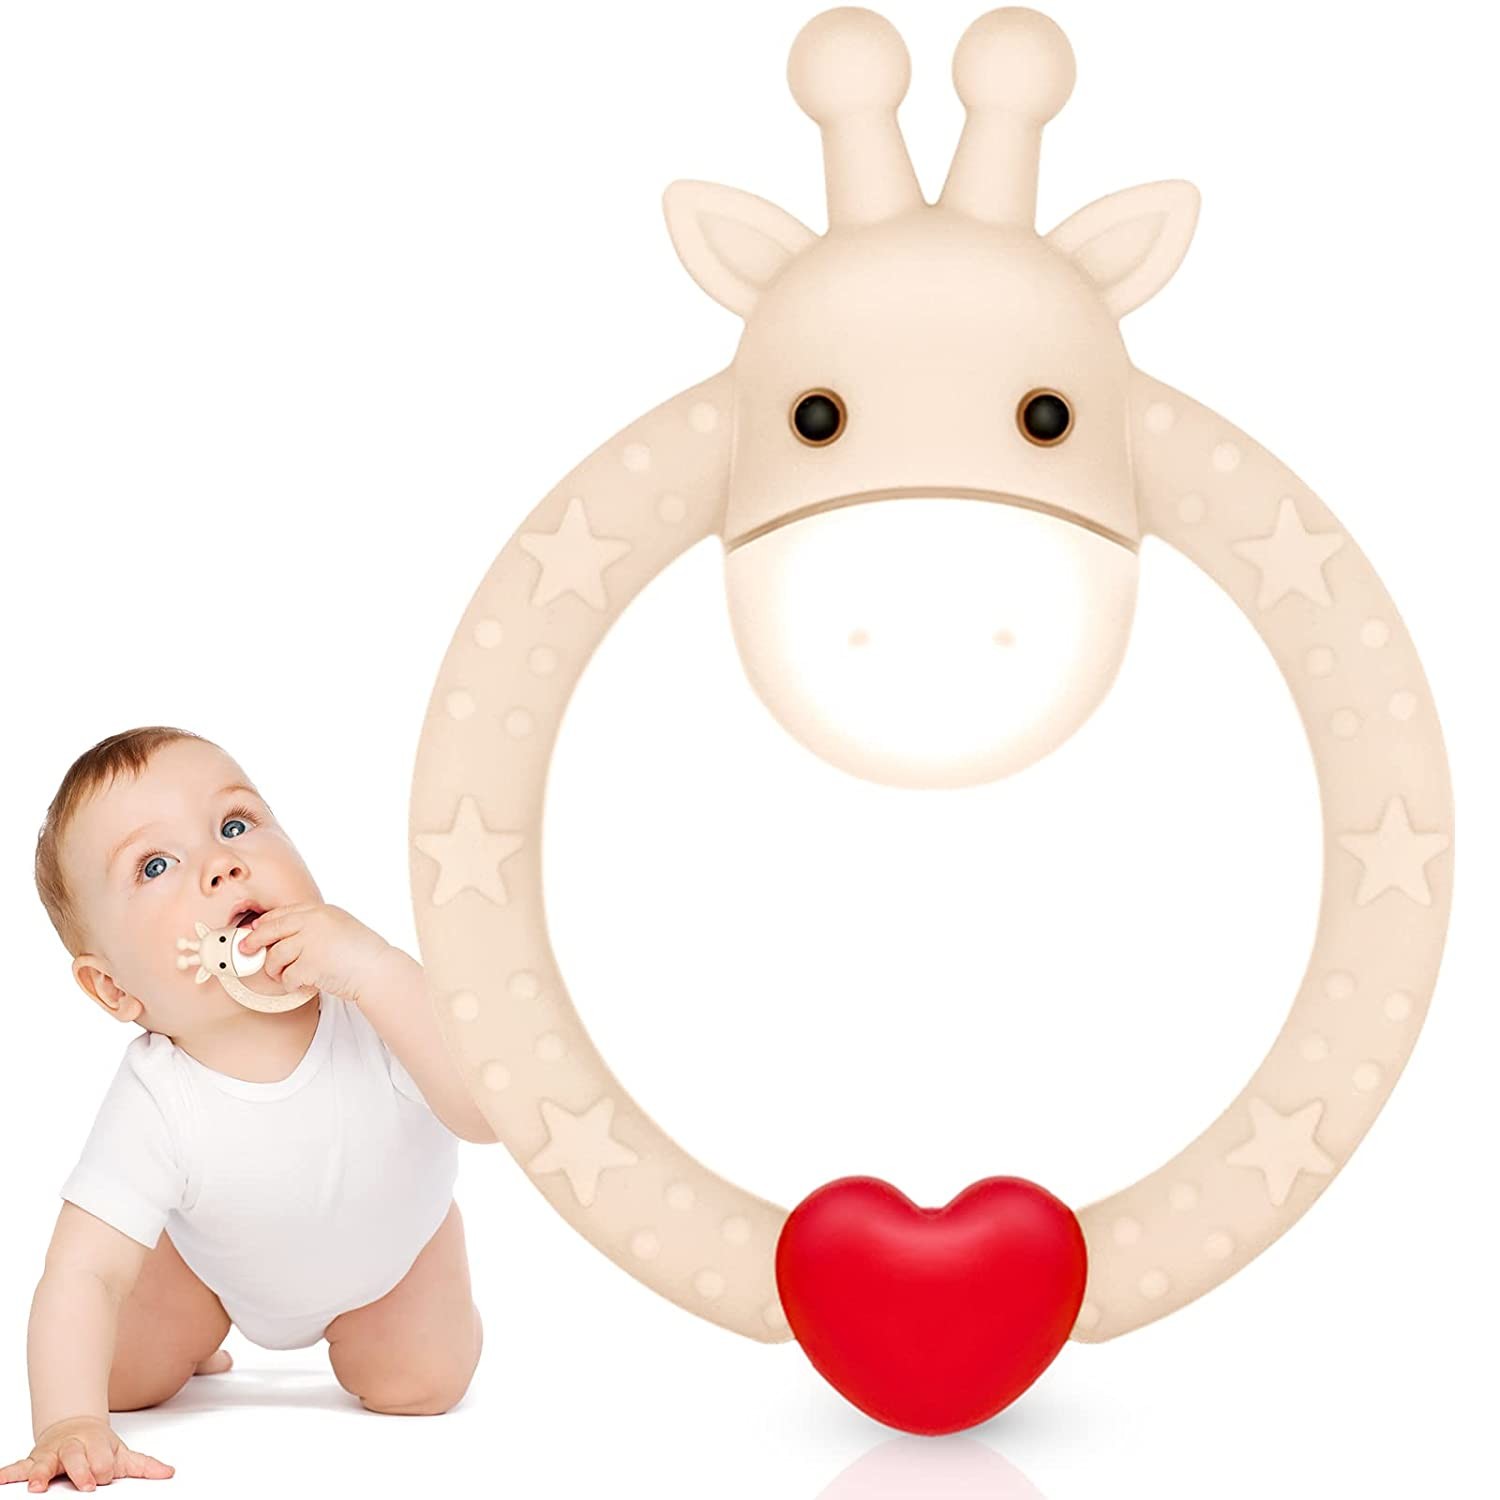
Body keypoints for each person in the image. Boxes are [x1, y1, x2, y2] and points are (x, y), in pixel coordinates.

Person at [2, 726, 495, 1493]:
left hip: (395, 1260)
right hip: (209, 1269)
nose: (222, 862)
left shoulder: (377, 1005)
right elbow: (84, 1272)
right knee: (120, 1379)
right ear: (114, 989)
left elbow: (486, 1113)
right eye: (156, 865)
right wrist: (67, 1421)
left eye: (235, 824)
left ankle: (425, 1275)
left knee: (422, 1385)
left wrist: (374, 967)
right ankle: (198, 1323)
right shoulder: (157, 1095)